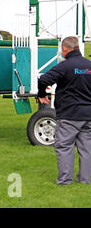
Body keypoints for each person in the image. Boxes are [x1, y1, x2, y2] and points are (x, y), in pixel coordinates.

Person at [38, 36, 91, 185]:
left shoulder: (64, 66)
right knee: (87, 149)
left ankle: (64, 180)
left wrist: (42, 95)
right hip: (88, 116)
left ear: (64, 49)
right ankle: (85, 180)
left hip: (69, 116)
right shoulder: (89, 66)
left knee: (64, 147)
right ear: (78, 48)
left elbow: (43, 80)